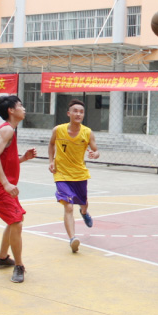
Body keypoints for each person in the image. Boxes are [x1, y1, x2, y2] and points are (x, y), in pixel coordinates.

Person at [0, 96, 37, 283]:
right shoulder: (7, 130)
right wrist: (5, 183)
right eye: (20, 105)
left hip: (0, 185)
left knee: (14, 220)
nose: (24, 108)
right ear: (11, 110)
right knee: (17, 222)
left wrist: (23, 158)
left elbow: (5, 160)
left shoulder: (9, 130)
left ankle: (2, 257)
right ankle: (19, 266)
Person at [48, 99, 100, 253]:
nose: (78, 114)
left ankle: (84, 212)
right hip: (61, 174)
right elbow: (51, 144)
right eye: (75, 111)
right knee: (68, 206)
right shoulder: (58, 130)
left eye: (81, 112)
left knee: (83, 203)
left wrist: (94, 154)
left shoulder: (87, 132)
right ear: (68, 113)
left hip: (79, 174)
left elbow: (96, 150)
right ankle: (72, 239)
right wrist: (51, 161)